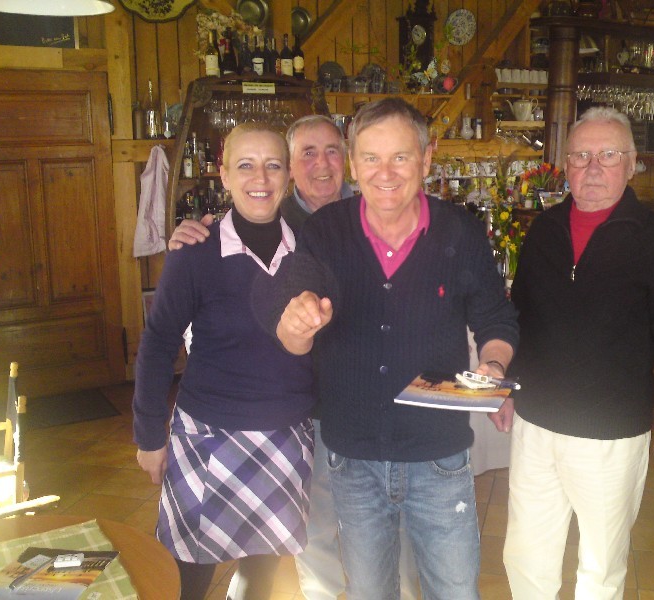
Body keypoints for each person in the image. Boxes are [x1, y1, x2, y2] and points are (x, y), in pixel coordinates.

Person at [275, 97, 519, 600]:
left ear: (426, 159)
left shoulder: (460, 231)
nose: (384, 173)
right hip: (353, 457)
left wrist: (493, 364)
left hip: (439, 454)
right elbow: (293, 323)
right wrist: (297, 324)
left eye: (400, 157)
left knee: (456, 591)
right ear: (353, 163)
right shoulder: (324, 231)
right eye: (371, 158)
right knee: (370, 593)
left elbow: (495, 317)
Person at [168, 114, 420, 600]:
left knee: (392, 523)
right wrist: (191, 235)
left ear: (348, 161)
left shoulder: (381, 212)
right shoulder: (273, 224)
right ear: (290, 168)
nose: (321, 163)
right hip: (304, 414)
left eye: (332, 150)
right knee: (313, 532)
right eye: (307, 152)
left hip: (374, 403)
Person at [504, 106, 654, 599]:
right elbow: (519, 319)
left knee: (600, 569)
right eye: (581, 156)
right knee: (526, 557)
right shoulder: (544, 229)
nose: (593, 168)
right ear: (566, 164)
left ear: (632, 163)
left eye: (608, 155)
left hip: (611, 435)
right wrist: (508, 389)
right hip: (535, 426)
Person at [133, 122, 315, 600]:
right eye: (246, 165)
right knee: (186, 580)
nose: (261, 178)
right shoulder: (195, 252)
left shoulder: (311, 249)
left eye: (273, 165)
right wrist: (149, 435)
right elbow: (158, 343)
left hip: (285, 438)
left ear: (288, 174)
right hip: (207, 437)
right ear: (224, 174)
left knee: (259, 580)